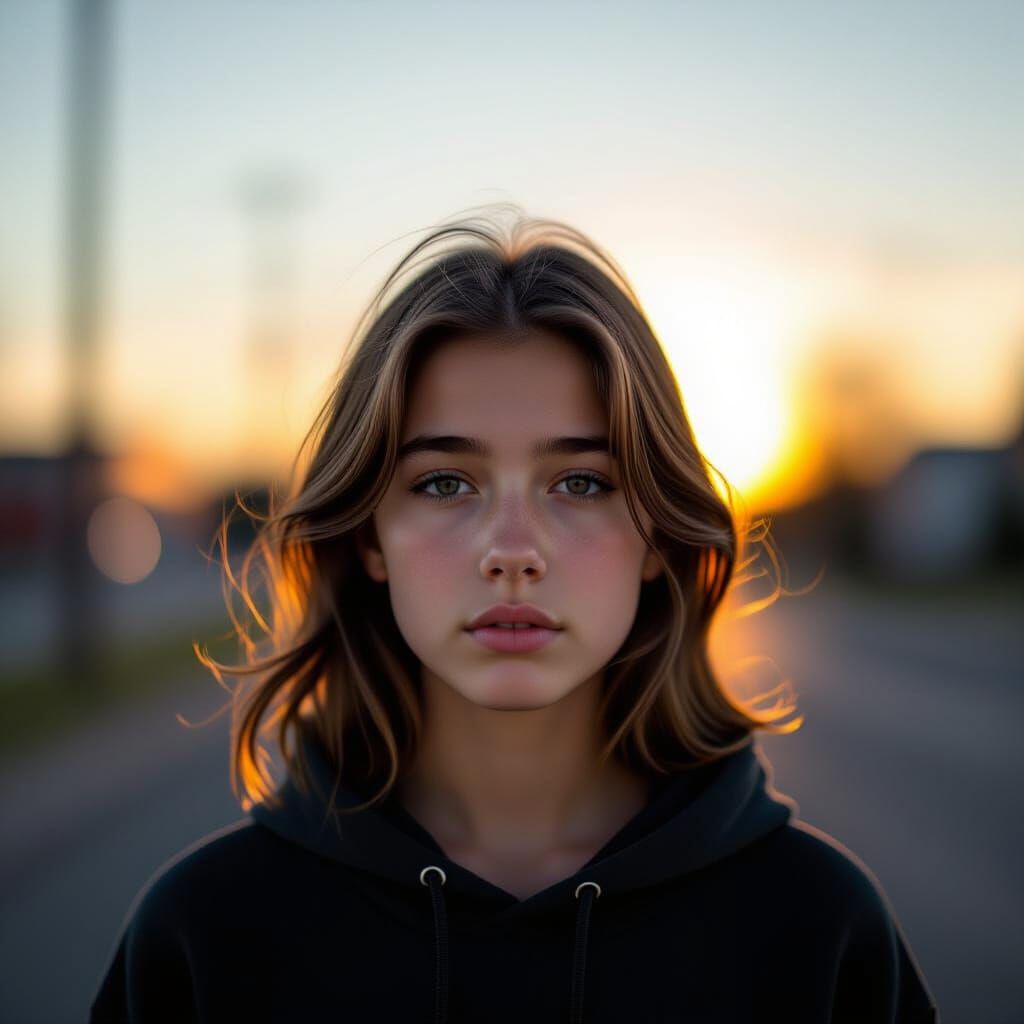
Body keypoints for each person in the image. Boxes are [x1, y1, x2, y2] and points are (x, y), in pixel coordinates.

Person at [89, 205, 939, 1023]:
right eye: (444, 483)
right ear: (369, 537)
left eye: (581, 482)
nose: (512, 550)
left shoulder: (819, 931)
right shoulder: (204, 936)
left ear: (655, 535)